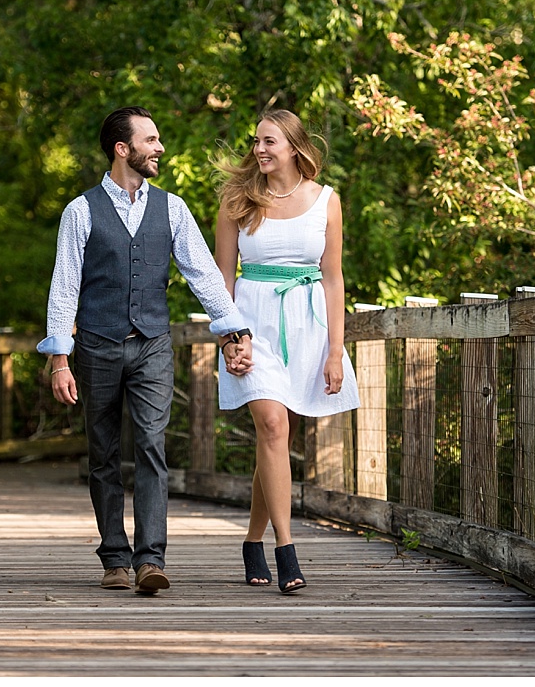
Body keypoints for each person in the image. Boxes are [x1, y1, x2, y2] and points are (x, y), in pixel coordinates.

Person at [38, 106, 254, 595]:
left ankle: (150, 560)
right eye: (151, 140)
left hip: (153, 345)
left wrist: (232, 331)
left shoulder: (172, 209)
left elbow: (203, 273)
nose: (159, 148)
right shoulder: (80, 210)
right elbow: (64, 286)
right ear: (123, 148)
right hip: (96, 346)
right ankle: (114, 556)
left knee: (153, 447)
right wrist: (60, 358)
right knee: (104, 453)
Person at [214, 109, 360, 593]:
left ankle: (251, 541)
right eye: (256, 141)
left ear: (294, 147)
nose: (258, 149)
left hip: (307, 327)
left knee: (274, 439)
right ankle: (285, 548)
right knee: (273, 426)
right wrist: (230, 337)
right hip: (250, 326)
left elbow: (334, 277)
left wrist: (335, 351)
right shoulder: (237, 199)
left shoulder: (327, 202)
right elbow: (221, 280)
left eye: (269, 141)